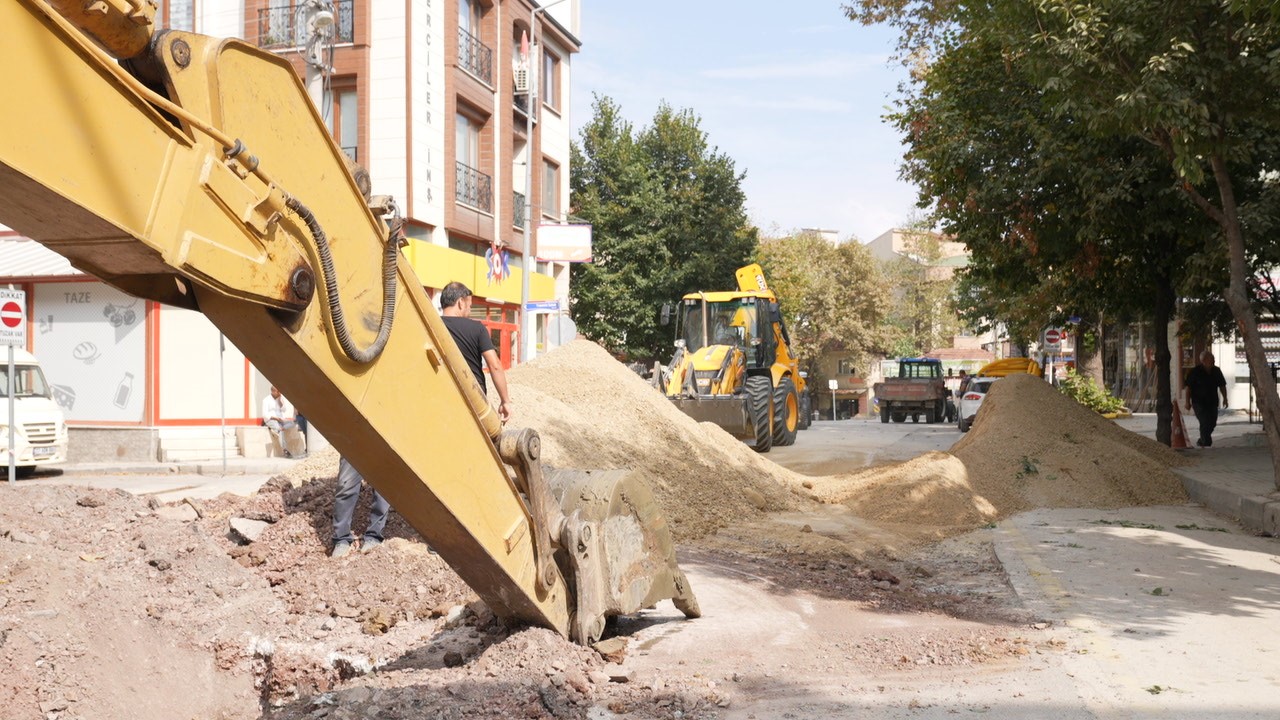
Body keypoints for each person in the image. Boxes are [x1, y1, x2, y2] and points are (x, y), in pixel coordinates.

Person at [439, 282, 512, 423]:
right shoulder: (477, 329)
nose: (469, 310)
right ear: (461, 302)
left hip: (441, 395)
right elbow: (494, 365)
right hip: (473, 398)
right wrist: (505, 401)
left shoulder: (432, 325)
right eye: (470, 306)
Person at [331, 457, 390, 558]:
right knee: (346, 485)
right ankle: (341, 539)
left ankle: (374, 536)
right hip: (355, 443)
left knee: (382, 487)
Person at [1182, 350, 1228, 448]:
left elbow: (1222, 386)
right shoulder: (1195, 372)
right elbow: (1188, 389)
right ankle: (1206, 442)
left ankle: (1202, 440)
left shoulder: (1216, 371)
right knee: (1204, 421)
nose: (1214, 360)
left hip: (1212, 402)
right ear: (1203, 360)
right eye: (1211, 359)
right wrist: (1187, 402)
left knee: (1212, 423)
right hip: (1199, 402)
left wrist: (1225, 398)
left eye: (1213, 359)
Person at [262, 385, 306, 458]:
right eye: (278, 391)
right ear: (273, 391)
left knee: (294, 422)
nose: (280, 393)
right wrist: (276, 419)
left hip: (281, 419)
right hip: (271, 420)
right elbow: (265, 415)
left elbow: (284, 410)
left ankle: (278, 429)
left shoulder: (280, 398)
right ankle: (285, 450)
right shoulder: (266, 400)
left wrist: (280, 402)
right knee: (280, 430)